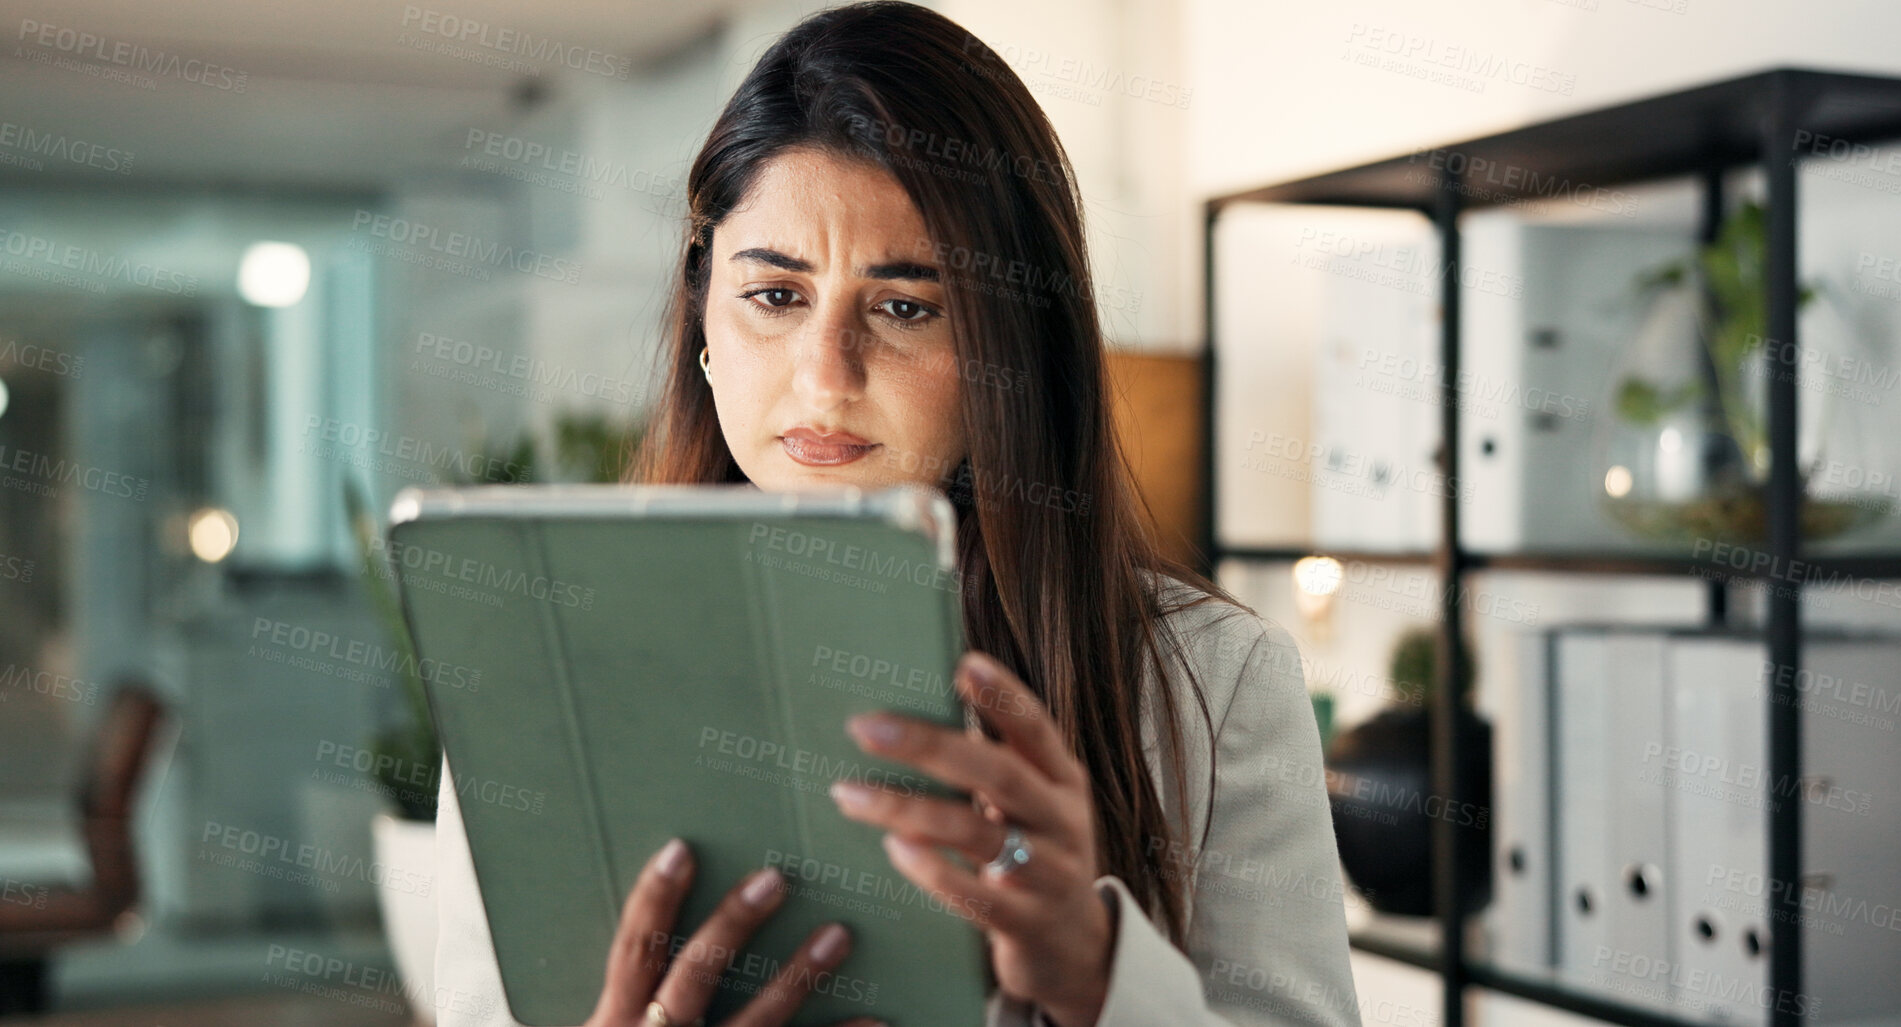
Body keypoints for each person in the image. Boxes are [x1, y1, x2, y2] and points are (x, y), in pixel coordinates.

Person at [433, 3, 1360, 1025]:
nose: (825, 378)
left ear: (1012, 350)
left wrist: (1097, 975)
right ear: (703, 320)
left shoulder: (1212, 681)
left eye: (905, 307)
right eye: (775, 297)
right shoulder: (538, 658)